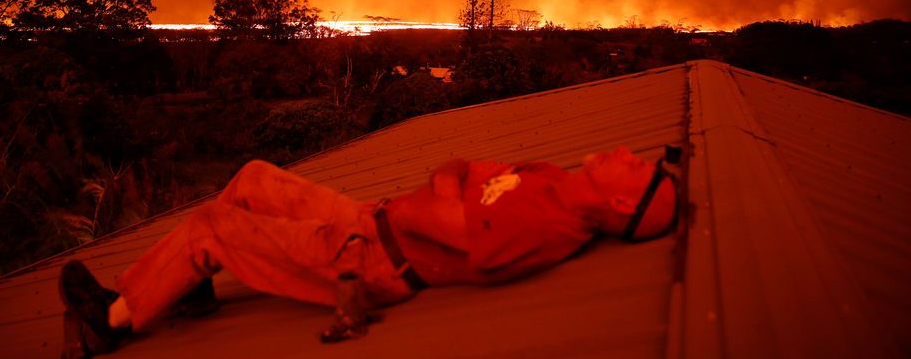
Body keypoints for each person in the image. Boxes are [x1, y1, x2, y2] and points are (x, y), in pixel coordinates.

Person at [59, 145, 679, 358]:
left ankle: (110, 320)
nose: (628, 154)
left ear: (624, 206)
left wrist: (447, 190)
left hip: (375, 260)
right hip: (371, 220)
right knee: (250, 180)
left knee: (213, 224)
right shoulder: (549, 176)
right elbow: (455, 170)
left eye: (636, 167)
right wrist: (450, 186)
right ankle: (189, 284)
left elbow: (432, 212)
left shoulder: (549, 225)